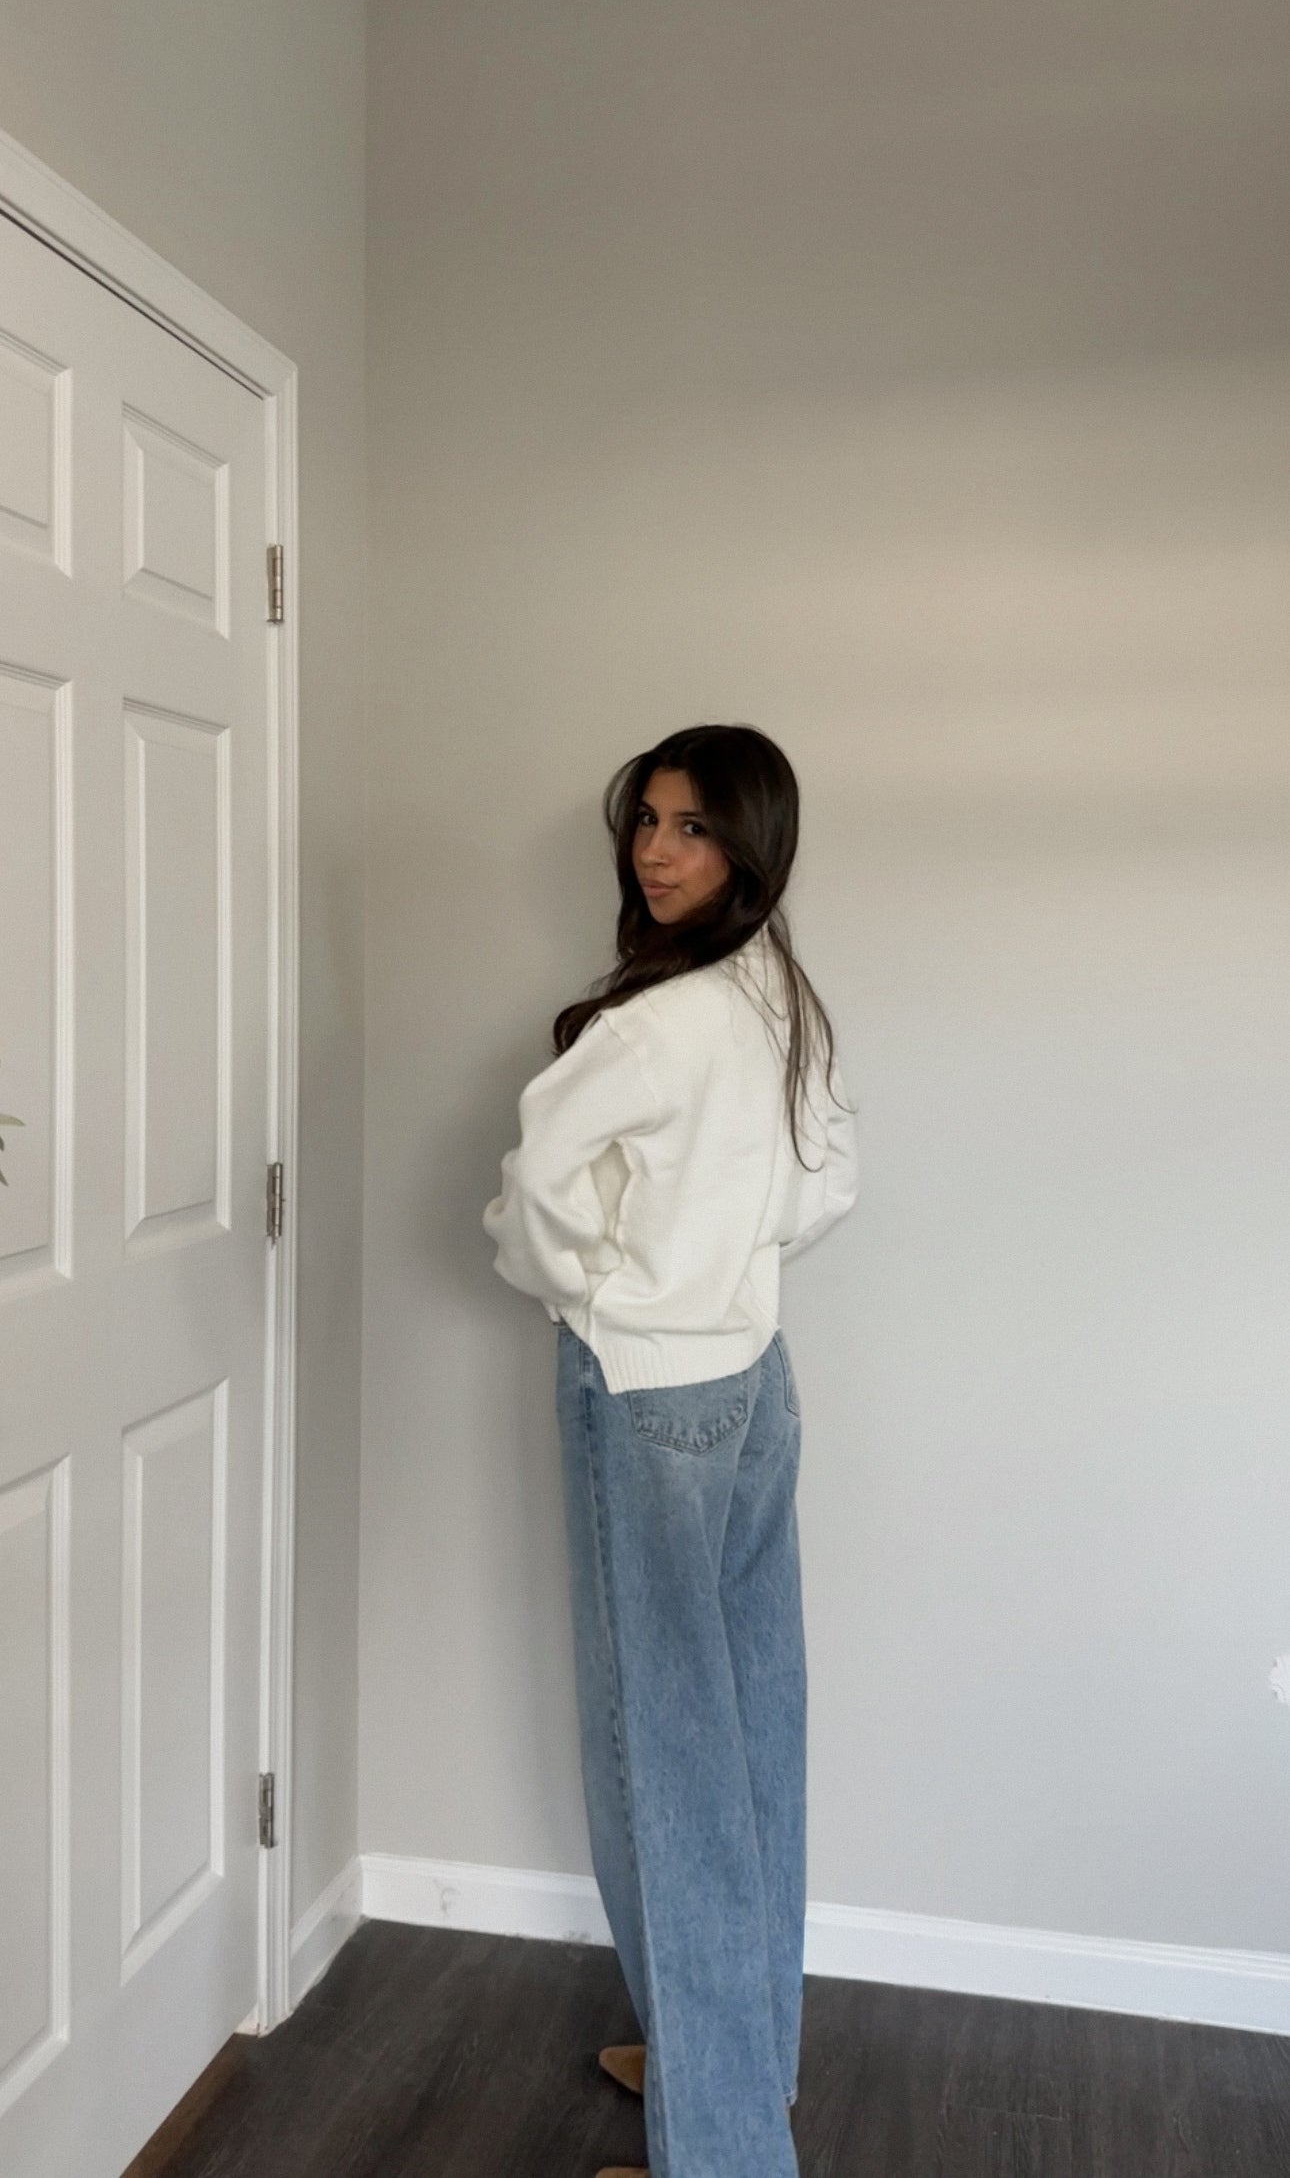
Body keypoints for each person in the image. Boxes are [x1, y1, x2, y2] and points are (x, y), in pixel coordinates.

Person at [482, 723, 859, 2178]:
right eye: (645, 820)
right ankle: (736, 2064)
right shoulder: (778, 994)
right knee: (750, 1738)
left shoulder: (655, 1023)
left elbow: (534, 1189)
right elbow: (829, 1181)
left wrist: (600, 1290)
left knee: (664, 1760)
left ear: (750, 844)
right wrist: (720, 1266)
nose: (655, 850)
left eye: (693, 827)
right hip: (753, 1384)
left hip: (648, 1398)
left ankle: (717, 2147)